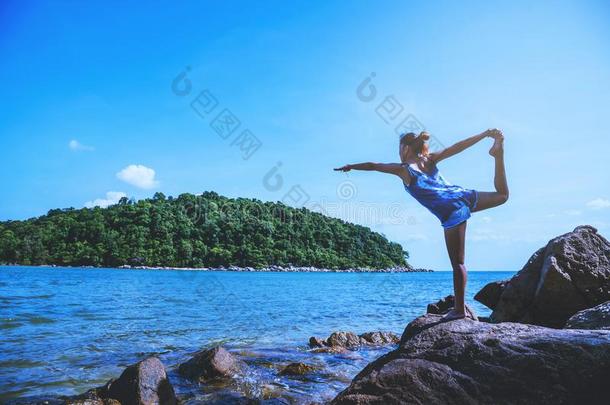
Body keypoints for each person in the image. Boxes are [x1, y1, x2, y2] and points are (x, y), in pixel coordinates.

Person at [334, 129, 508, 321]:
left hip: (450, 210)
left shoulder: (403, 169)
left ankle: (459, 310)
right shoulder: (430, 159)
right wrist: (484, 135)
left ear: (406, 148)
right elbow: (458, 147)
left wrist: (351, 166)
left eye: (399, 148)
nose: (398, 152)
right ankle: (497, 156)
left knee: (458, 263)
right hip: (462, 195)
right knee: (502, 196)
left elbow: (374, 165)